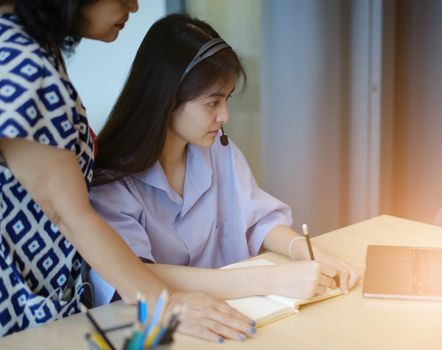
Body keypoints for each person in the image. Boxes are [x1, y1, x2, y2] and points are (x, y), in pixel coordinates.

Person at [0, 0, 255, 343]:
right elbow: (69, 214)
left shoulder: (31, 49)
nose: (133, 7)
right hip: (18, 303)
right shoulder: (23, 64)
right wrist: (166, 304)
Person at [89, 13, 359, 310]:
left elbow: (258, 220)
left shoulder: (218, 149)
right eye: (212, 103)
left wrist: (308, 251)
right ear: (166, 98)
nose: (224, 116)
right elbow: (135, 274)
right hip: (167, 323)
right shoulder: (111, 181)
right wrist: (271, 279)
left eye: (227, 99)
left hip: (241, 312)